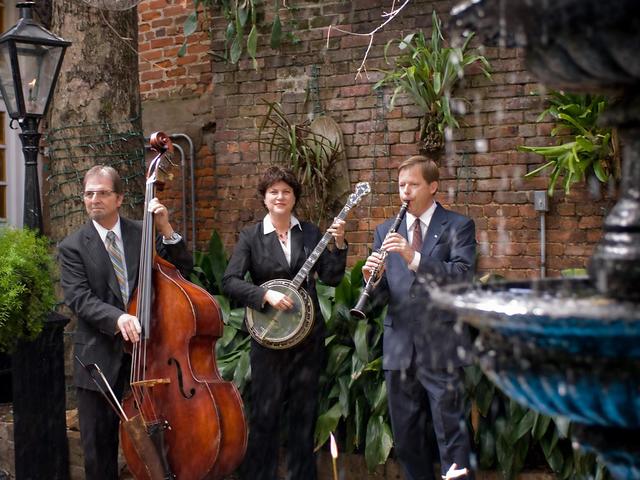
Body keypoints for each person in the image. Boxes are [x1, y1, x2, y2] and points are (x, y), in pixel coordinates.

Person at [58, 165, 192, 480]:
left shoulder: (142, 233)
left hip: (150, 358)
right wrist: (118, 317)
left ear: (119, 198)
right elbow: (79, 299)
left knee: (159, 443)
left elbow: (183, 270)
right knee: (99, 451)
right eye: (89, 193)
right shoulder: (72, 246)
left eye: (103, 193)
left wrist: (166, 228)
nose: (94, 199)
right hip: (99, 361)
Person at [222, 166, 348, 480]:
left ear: (294, 198)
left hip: (307, 339)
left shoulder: (309, 232)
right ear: (264, 198)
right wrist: (264, 294)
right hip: (269, 338)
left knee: (304, 414)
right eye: (273, 191)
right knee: (265, 413)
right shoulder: (251, 237)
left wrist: (340, 244)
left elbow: (332, 277)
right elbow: (230, 281)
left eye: (286, 191)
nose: (280, 197)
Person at [362, 155, 476, 480]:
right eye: (401, 185)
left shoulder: (458, 226)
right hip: (399, 351)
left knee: (452, 442)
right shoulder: (386, 229)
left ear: (433, 186)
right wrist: (373, 279)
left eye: (412, 184)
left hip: (441, 349)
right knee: (408, 442)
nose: (405, 191)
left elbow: (462, 278)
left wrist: (414, 257)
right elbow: (384, 299)